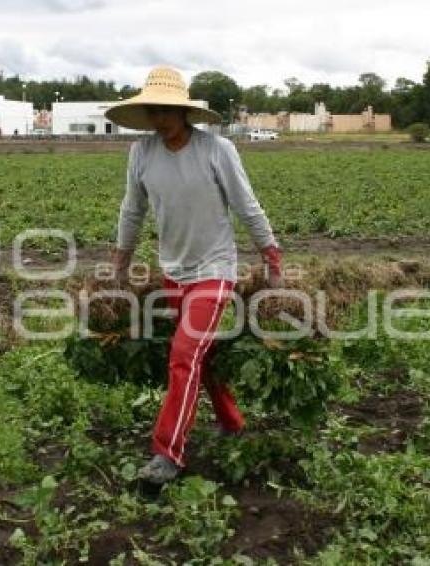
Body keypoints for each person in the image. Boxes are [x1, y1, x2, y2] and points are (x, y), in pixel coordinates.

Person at [105, 66, 283, 485]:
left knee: (184, 354)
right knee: (202, 355)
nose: (158, 118)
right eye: (152, 110)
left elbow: (246, 205)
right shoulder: (142, 154)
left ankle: (168, 454)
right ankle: (232, 423)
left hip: (215, 270)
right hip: (174, 272)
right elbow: (132, 212)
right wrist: (119, 264)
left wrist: (272, 257)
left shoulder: (216, 150)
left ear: (183, 111)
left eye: (165, 110)